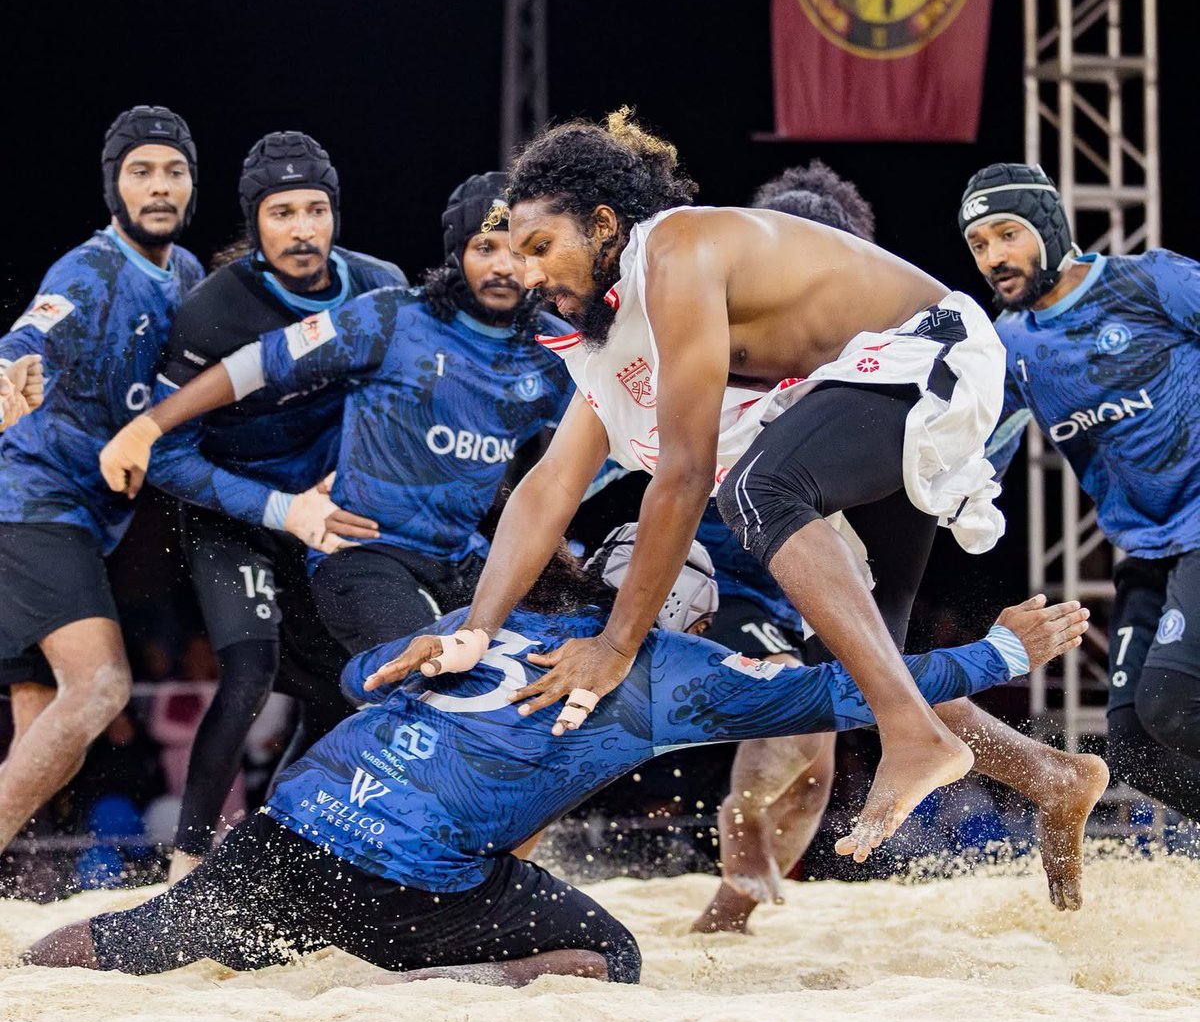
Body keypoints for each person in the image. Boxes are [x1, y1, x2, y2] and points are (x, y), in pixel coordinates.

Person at [396, 109, 1109, 879]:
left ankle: (911, 739)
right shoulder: (605, 342)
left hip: (926, 352)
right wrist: (476, 628)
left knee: (756, 491)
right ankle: (1054, 777)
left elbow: (686, 474)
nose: (527, 273)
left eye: (541, 247)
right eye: (514, 252)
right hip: (863, 402)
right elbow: (546, 490)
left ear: (604, 226)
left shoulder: (672, 251)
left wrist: (615, 645)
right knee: (872, 661)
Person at [24, 529, 1089, 979]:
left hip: (294, 828)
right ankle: (435, 986)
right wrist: (1000, 647)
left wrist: (414, 648)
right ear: (689, 609)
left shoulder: (504, 621)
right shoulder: (676, 666)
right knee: (608, 959)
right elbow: (842, 690)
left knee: (119, 941)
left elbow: (359, 679)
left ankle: (23, 971)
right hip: (409, 887)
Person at [100, 173, 575, 658]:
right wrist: (149, 425)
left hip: (464, 552)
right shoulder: (392, 315)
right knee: (413, 673)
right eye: (485, 248)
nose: (503, 267)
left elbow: (620, 434)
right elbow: (261, 361)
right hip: (361, 547)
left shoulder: (557, 348)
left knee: (570, 636)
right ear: (457, 253)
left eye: (518, 252)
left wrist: (555, 495)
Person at [145, 131, 407, 880]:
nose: (302, 229)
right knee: (252, 671)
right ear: (255, 225)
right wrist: (277, 506)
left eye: (316, 209)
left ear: (335, 214)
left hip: (328, 511)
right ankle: (186, 868)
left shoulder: (381, 285)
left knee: (339, 690)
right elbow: (164, 453)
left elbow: (402, 396)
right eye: (282, 212)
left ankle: (275, 852)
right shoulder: (211, 314)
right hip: (233, 510)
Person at [962, 162, 1200, 820]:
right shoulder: (1008, 343)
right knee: (1133, 748)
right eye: (978, 245)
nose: (994, 258)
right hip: (1148, 551)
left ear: (1048, 226)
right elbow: (983, 455)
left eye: (1007, 234)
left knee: (1173, 706)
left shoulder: (1150, 281)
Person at [0, 105, 204, 854]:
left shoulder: (184, 274)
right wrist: (8, 373)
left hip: (83, 521)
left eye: (173, 171)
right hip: (29, 501)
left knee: (46, 733)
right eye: (139, 171)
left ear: (191, 184)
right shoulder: (87, 269)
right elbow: (32, 333)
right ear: (113, 187)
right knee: (103, 688)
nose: (158, 186)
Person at [692, 160, 876, 931]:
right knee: (791, 713)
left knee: (819, 764)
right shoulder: (713, 320)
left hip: (793, 561)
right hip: (709, 555)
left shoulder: (865, 344)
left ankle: (728, 918)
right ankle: (737, 821)